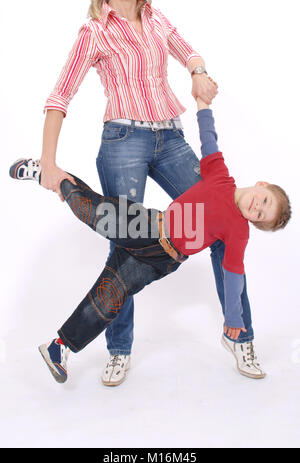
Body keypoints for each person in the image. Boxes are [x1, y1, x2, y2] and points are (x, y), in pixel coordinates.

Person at [10, 98, 291, 385]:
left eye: (260, 215)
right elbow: (208, 139)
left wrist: (233, 319)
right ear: (262, 184)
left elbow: (233, 277)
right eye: (264, 201)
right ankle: (49, 174)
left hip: (160, 262)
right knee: (93, 212)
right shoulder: (220, 176)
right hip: (148, 227)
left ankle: (60, 347)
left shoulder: (238, 231)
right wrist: (203, 105)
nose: (256, 207)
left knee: (110, 296)